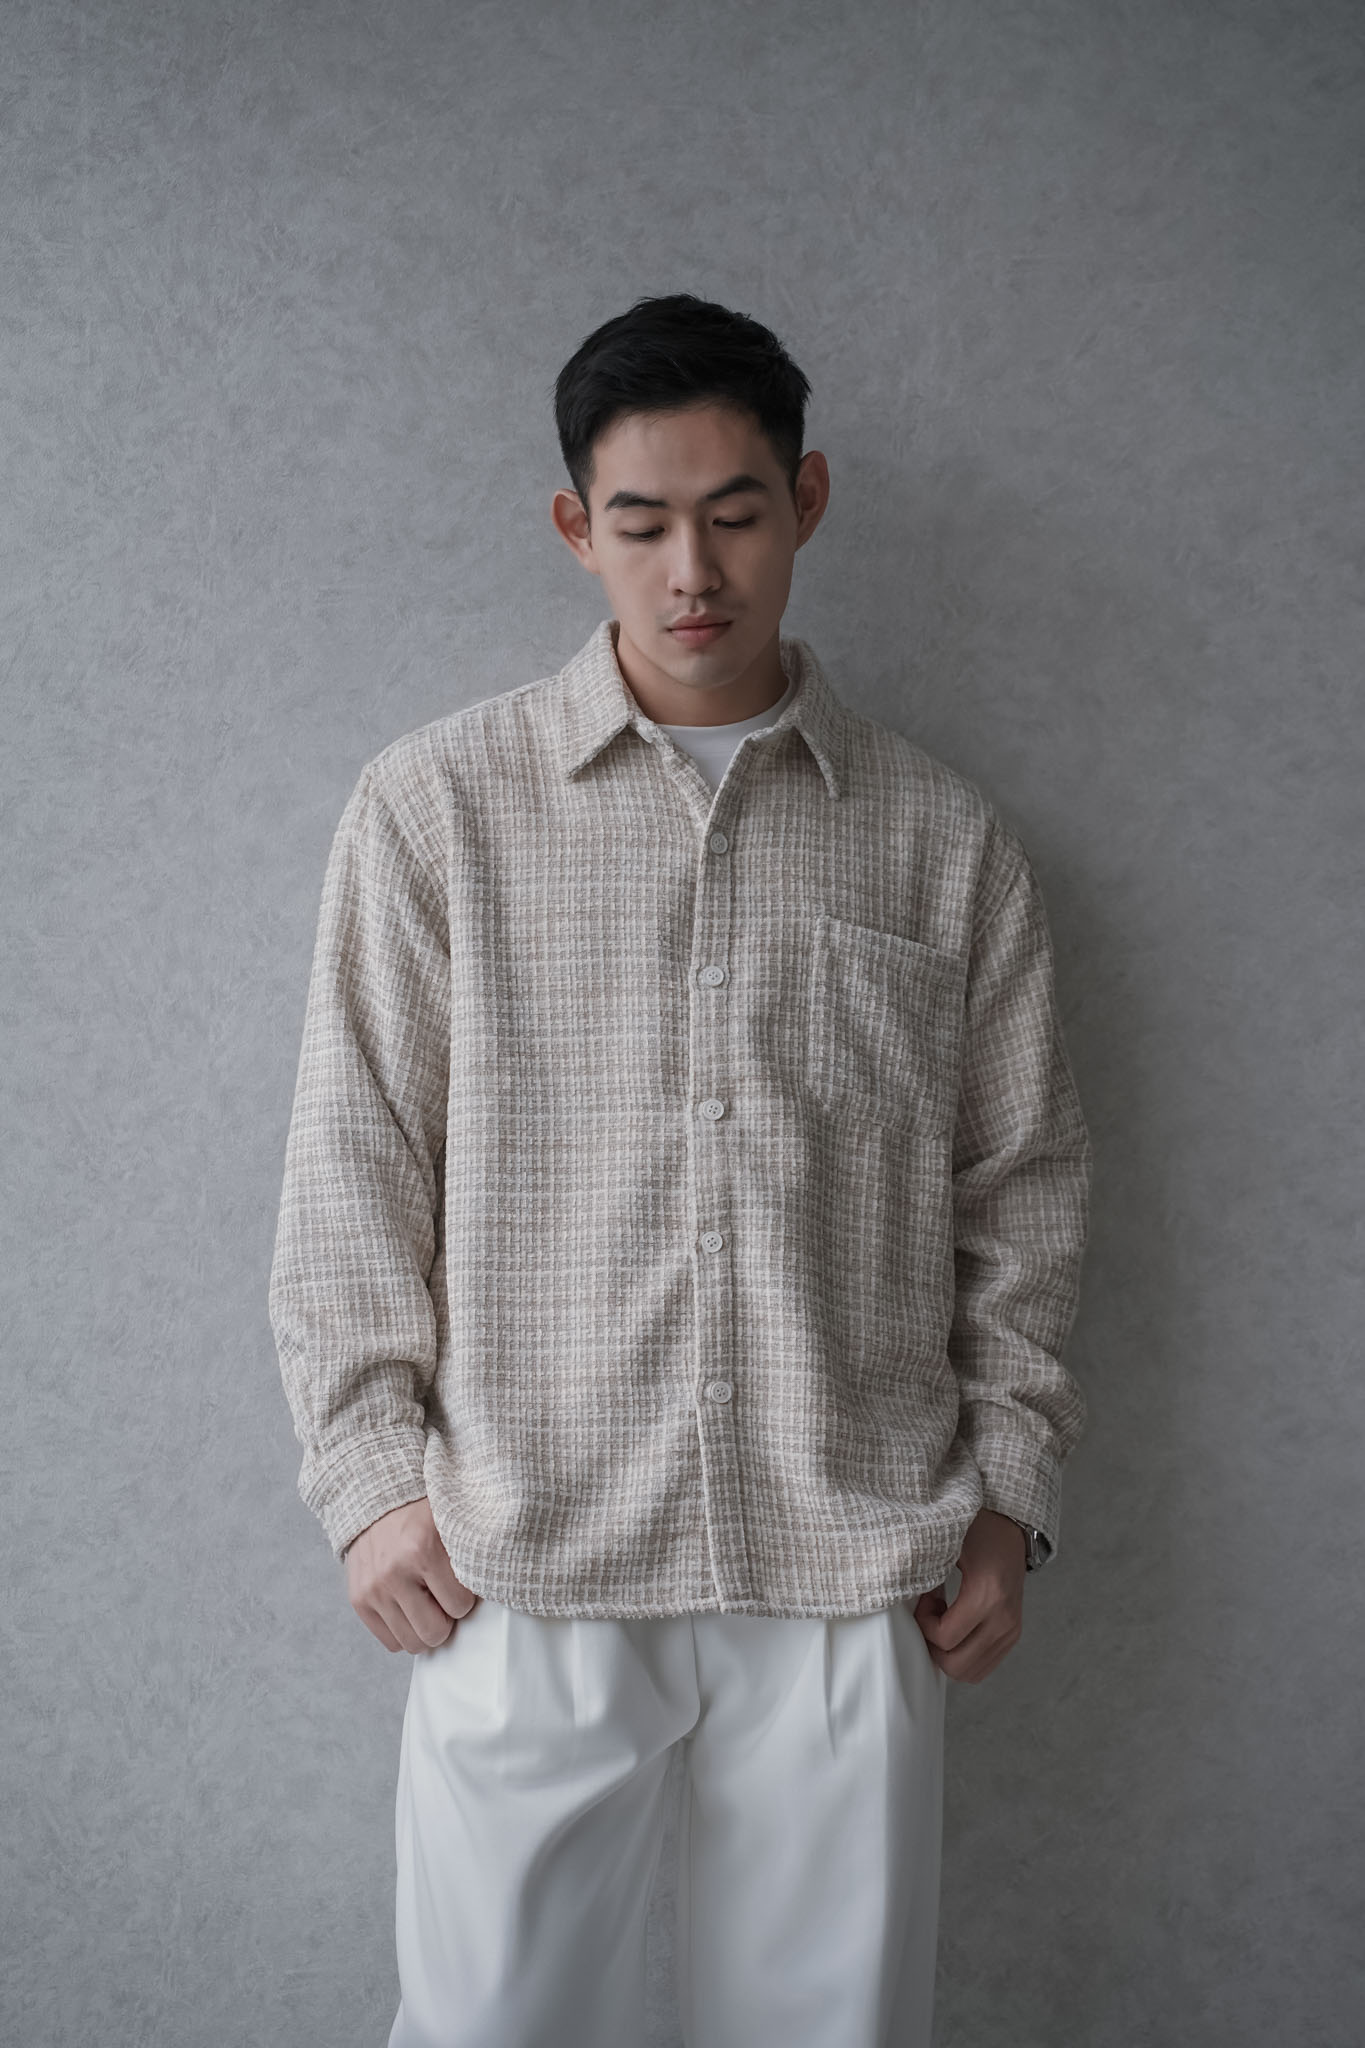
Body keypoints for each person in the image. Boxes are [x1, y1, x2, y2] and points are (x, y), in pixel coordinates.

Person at [268, 292, 1092, 2048]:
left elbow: (1020, 1189)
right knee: (490, 2027)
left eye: (732, 513)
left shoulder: (942, 843)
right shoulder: (434, 812)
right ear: (577, 527)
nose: (691, 571)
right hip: (524, 1549)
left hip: (853, 1556)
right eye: (641, 523)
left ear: (806, 500)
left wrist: (1006, 1489)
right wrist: (366, 1481)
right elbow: (352, 1162)